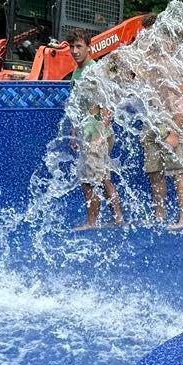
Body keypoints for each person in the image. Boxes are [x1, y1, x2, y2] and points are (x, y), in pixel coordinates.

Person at [138, 13, 183, 230]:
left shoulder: (176, 63)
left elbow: (181, 101)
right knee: (154, 173)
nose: (146, 37)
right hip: (151, 122)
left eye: (150, 33)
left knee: (177, 173)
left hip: (170, 123)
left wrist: (175, 131)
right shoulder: (149, 62)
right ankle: (159, 216)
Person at [67, 29, 123, 230]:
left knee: (88, 181)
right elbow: (78, 105)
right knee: (103, 178)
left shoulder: (94, 70)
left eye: (79, 46)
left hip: (96, 134)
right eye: (72, 47)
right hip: (86, 133)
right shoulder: (77, 71)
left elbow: (107, 105)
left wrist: (100, 134)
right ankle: (118, 218)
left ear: (89, 47)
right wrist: (74, 132)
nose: (74, 51)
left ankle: (92, 222)